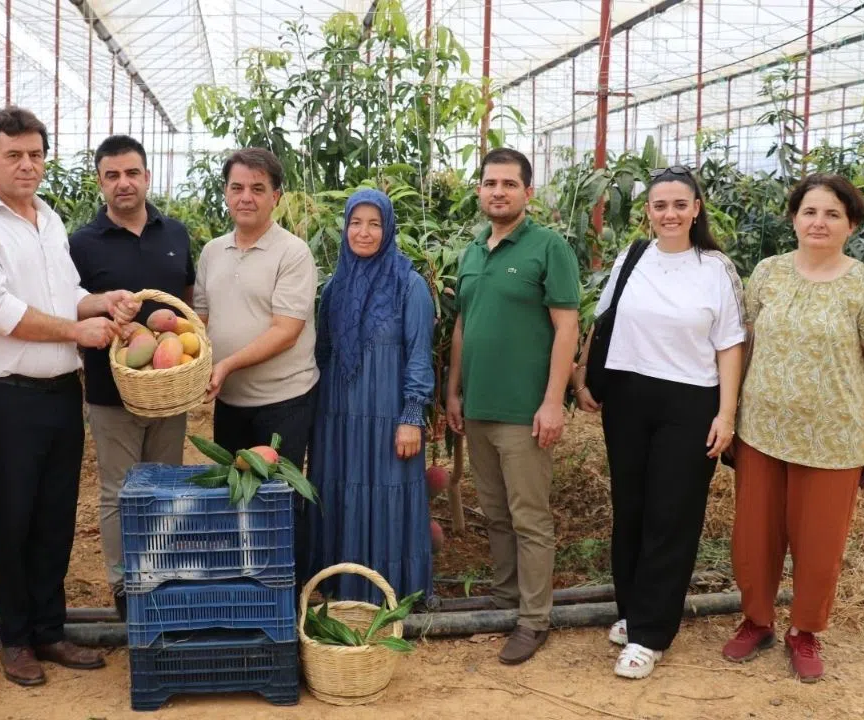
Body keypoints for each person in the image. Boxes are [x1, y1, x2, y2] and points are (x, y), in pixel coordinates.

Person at [0, 107, 136, 687]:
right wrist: (77, 330)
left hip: (60, 393)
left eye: (35, 155)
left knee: (55, 517)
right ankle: (16, 638)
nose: (27, 165)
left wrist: (102, 301)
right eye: (14, 155)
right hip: (8, 398)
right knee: (12, 519)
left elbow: (65, 291)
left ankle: (50, 630)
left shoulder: (48, 218)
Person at [722, 174, 864, 683]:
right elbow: (745, 344)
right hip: (763, 430)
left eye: (832, 214)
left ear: (851, 225)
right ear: (794, 219)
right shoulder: (768, 272)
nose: (819, 222)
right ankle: (757, 621)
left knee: (819, 544)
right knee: (754, 537)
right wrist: (730, 413)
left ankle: (804, 630)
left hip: (833, 437)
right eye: (810, 212)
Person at [571, 166, 745, 679]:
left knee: (672, 514)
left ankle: (651, 634)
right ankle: (632, 610)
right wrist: (583, 376)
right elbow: (603, 320)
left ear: (696, 210)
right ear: (648, 211)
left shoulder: (715, 268)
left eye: (679, 205)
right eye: (660, 205)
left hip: (689, 401)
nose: (669, 214)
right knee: (631, 509)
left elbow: (730, 344)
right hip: (628, 396)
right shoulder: (632, 257)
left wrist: (726, 413)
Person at [446, 148, 580, 665]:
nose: (497, 191)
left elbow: (566, 327)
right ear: (479, 191)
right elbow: (463, 326)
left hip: (525, 411)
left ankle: (534, 618)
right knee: (496, 513)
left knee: (529, 518)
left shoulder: (549, 247)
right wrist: (454, 391)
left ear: (528, 192)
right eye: (489, 183)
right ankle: (506, 599)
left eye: (508, 183)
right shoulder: (472, 252)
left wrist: (552, 401)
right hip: (479, 408)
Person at [68, 135, 194, 621]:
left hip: (169, 389)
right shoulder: (82, 244)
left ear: (147, 177)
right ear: (100, 182)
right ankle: (125, 588)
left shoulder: (175, 234)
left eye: (132, 173)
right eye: (112, 175)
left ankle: (162, 576)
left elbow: (185, 302)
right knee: (119, 492)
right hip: (110, 390)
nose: (124, 183)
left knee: (166, 487)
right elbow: (71, 305)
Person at [304, 188, 435, 605]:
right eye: (355, 223)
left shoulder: (408, 285)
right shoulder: (335, 287)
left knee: (386, 495)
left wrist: (412, 415)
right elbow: (323, 354)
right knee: (342, 493)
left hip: (387, 413)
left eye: (374, 224)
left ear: (388, 228)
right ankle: (340, 589)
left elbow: (419, 354)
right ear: (345, 228)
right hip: (338, 416)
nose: (364, 232)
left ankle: (390, 594)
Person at [193, 147, 318, 468]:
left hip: (282, 401)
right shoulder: (212, 252)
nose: (245, 198)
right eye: (237, 188)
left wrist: (226, 365)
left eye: (257, 189)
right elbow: (200, 320)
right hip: (229, 400)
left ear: (275, 197)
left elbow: (286, 332)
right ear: (226, 193)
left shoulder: (293, 253)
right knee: (233, 489)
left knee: (276, 493)